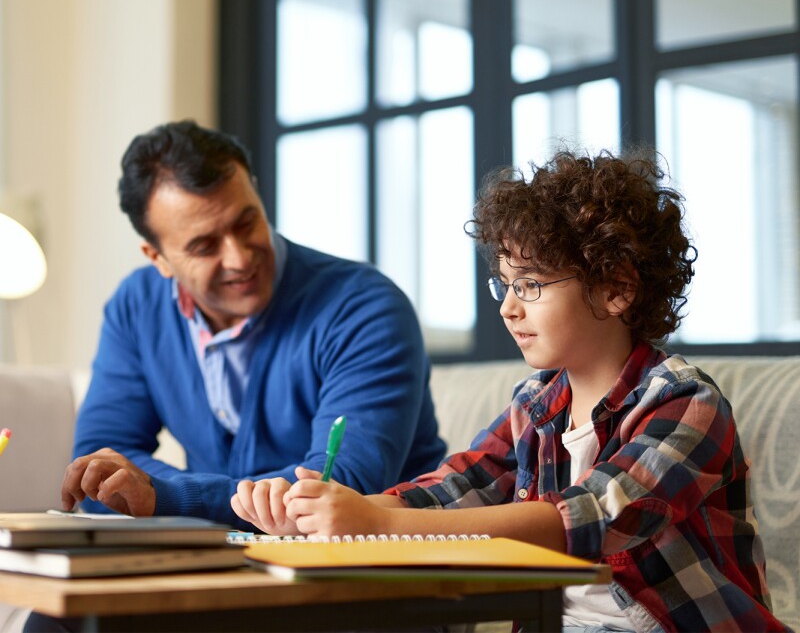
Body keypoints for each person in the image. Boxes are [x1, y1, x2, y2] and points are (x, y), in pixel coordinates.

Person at [232, 150, 786, 632]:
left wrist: (380, 525)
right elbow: (454, 488)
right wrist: (317, 515)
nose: (508, 307)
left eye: (531, 285)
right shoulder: (535, 404)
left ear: (616, 288)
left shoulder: (685, 402)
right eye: (505, 284)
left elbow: (587, 519)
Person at [60, 120, 446, 527]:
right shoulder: (137, 306)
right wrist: (155, 495)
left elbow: (338, 487)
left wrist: (164, 495)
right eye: (204, 246)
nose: (240, 258)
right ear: (158, 258)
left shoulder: (363, 307)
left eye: (246, 223)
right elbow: (97, 471)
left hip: (374, 554)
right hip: (215, 553)